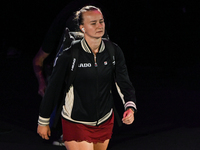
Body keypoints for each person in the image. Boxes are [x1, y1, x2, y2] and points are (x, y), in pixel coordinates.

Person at [37, 5, 137, 150]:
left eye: (101, 21)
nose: (99, 26)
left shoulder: (113, 51)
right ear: (82, 28)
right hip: (76, 122)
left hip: (105, 120)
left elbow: (123, 81)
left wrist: (130, 106)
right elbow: (53, 89)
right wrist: (43, 121)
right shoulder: (69, 54)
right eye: (93, 22)